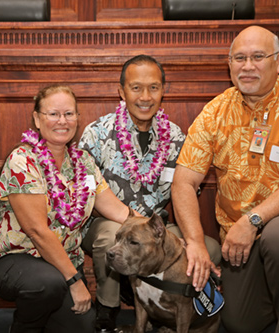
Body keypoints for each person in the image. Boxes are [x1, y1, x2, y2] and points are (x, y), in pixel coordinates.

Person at [172, 25, 279, 333]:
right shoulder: (215, 112)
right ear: (229, 64)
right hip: (240, 234)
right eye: (239, 58)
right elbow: (184, 180)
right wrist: (195, 242)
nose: (247, 66)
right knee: (241, 323)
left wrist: (252, 220)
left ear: (278, 62)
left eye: (258, 57)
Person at [79, 54, 222, 332]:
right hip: (109, 223)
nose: (145, 96)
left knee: (210, 248)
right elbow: (87, 193)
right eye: (136, 88)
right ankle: (108, 308)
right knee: (112, 237)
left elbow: (185, 191)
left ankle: (173, 308)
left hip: (157, 228)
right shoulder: (96, 134)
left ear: (163, 90)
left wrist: (191, 240)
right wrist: (128, 221)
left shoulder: (177, 137)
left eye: (154, 87)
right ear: (121, 91)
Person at [0, 84, 135, 333]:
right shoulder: (22, 160)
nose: (62, 121)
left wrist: (163, 234)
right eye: (53, 114)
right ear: (37, 119)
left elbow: (119, 211)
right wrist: (74, 281)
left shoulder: (84, 162)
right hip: (15, 259)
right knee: (47, 284)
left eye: (69, 114)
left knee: (84, 328)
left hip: (63, 265)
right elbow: (38, 232)